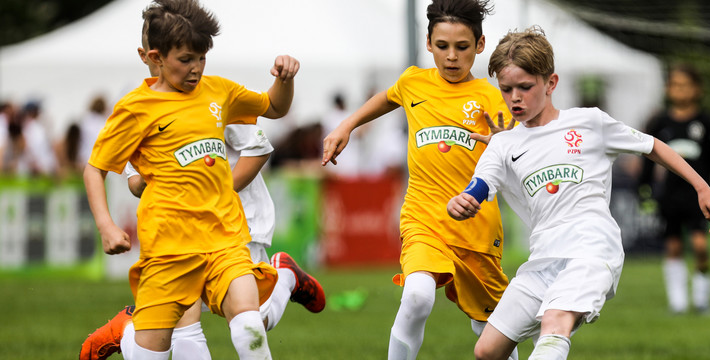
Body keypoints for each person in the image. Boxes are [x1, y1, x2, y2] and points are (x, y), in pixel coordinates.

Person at [446, 26, 710, 360]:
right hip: (542, 258)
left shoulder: (589, 122)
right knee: (486, 351)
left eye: (525, 87)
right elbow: (480, 184)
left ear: (551, 83)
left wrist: (702, 187)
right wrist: (463, 201)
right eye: (506, 89)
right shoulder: (503, 143)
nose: (515, 98)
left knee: (555, 321)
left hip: (591, 251)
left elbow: (653, 147)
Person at [79, 11, 325, 358]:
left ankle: (280, 278)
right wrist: (106, 225)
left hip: (223, 238)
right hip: (169, 248)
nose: (196, 68)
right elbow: (95, 169)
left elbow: (273, 106)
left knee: (251, 324)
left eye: (202, 58)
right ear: (155, 58)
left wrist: (285, 79)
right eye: (186, 60)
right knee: (160, 349)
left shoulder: (217, 91)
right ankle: (130, 333)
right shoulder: (135, 108)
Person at [322, 1, 517, 359]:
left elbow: (518, 155)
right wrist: (346, 126)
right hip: (423, 218)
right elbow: (385, 98)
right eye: (442, 46)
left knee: (493, 330)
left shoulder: (493, 98)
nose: (452, 57)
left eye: (462, 47)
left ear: (480, 44)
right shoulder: (413, 81)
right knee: (416, 296)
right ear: (428, 43)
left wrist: (507, 146)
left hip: (477, 229)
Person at [638, 63, 710, 315]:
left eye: (685, 85)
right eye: (674, 85)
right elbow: (647, 158)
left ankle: (702, 300)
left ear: (696, 89)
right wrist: (644, 189)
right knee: (673, 247)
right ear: (667, 89)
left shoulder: (707, 122)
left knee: (700, 246)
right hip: (669, 196)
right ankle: (678, 303)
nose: (679, 90)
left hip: (699, 198)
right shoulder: (659, 122)